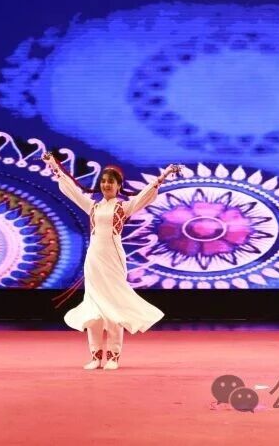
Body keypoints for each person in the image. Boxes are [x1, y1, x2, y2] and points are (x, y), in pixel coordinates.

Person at [42, 151, 181, 370]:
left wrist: (164, 175)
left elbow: (145, 195)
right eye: (104, 181)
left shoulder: (123, 207)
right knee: (94, 307)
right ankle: (96, 356)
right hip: (94, 260)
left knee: (114, 307)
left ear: (118, 186)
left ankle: (114, 356)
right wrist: (53, 165)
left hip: (113, 260)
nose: (106, 185)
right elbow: (71, 190)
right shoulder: (92, 206)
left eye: (111, 182)